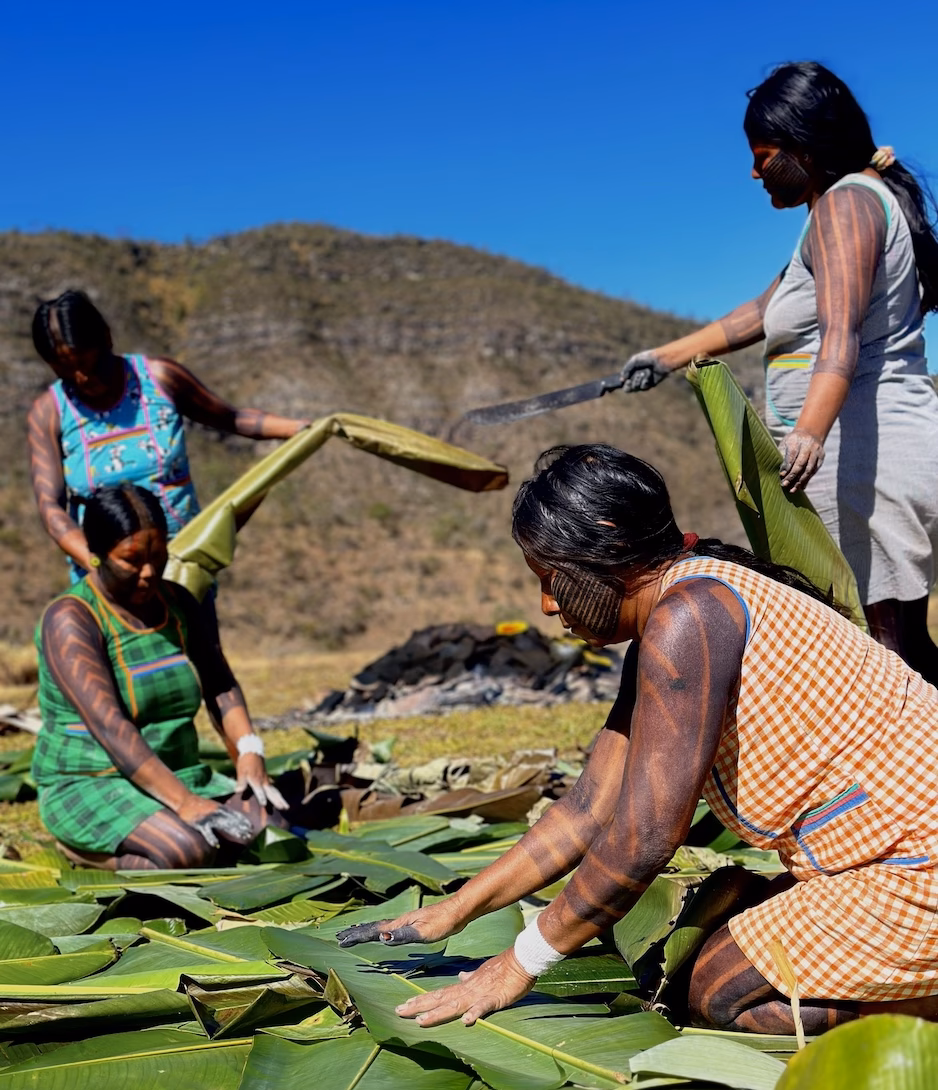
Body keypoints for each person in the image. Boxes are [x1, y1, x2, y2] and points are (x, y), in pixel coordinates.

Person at [338, 445, 938, 1036]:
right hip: (886, 852)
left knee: (715, 993)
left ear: (609, 549)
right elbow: (589, 807)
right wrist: (456, 909)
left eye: (551, 580)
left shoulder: (691, 619)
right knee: (713, 942)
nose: (546, 605)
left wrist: (515, 966)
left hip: (916, 863)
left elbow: (645, 836)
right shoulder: (680, 610)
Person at [619, 62, 938, 681]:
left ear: (803, 148)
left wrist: (808, 433)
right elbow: (761, 313)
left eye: (763, 156)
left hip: (866, 455)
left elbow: (840, 339)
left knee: (887, 651)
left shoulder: (846, 207)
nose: (754, 171)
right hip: (862, 451)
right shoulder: (834, 214)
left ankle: (911, 773)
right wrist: (664, 358)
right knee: (893, 643)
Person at [33, 484, 288, 870]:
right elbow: (111, 729)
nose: (149, 572)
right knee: (187, 851)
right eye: (131, 560)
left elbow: (220, 683)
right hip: (92, 780)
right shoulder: (71, 621)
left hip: (176, 771)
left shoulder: (178, 601)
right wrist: (186, 804)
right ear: (97, 555)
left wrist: (250, 752)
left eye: (157, 554)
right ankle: (87, 851)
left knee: (270, 830)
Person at [28, 290, 309, 580]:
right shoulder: (49, 413)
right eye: (66, 372)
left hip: (181, 569)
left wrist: (302, 430)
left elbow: (232, 418)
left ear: (106, 338)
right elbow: (50, 506)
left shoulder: (160, 379)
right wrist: (98, 564)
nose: (82, 379)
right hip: (106, 581)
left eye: (89, 364)